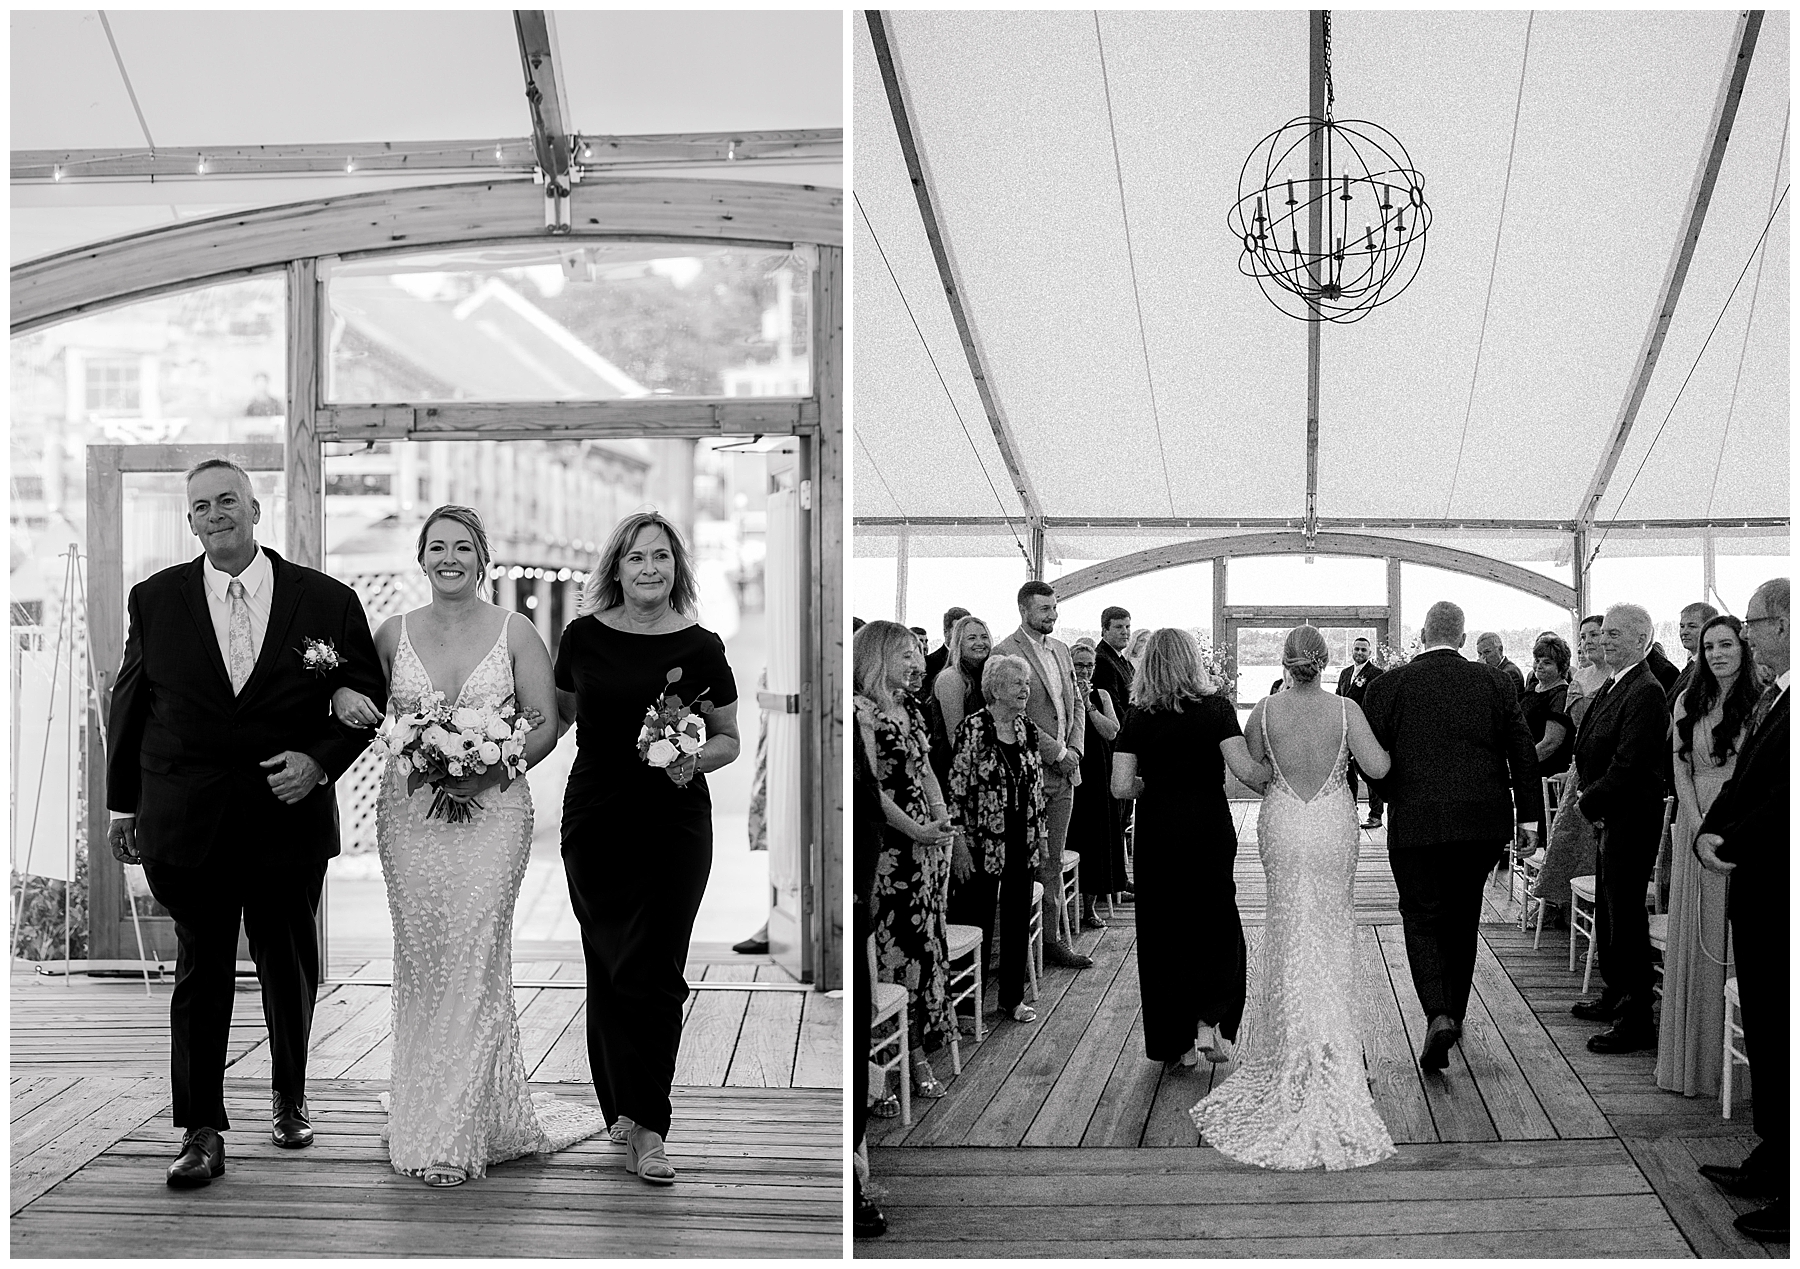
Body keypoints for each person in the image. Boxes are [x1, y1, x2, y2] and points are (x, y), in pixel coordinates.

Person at [106, 458, 386, 1188]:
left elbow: (365, 691)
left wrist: (320, 760)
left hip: (284, 816)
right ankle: (201, 1128)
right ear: (190, 521)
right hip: (186, 817)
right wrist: (122, 804)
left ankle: (289, 1096)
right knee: (201, 970)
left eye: (227, 499)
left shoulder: (326, 599)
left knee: (288, 964)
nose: (215, 514)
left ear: (255, 508)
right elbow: (130, 703)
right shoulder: (155, 597)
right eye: (200, 506)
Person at [330, 506, 605, 1186]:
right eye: (436, 547)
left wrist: (490, 768)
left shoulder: (516, 631)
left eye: (462, 547)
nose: (448, 557)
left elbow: (544, 723)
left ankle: (452, 1135)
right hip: (410, 814)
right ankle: (425, 1107)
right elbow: (359, 701)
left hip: (496, 811)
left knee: (476, 959)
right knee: (424, 963)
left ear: (482, 558)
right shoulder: (390, 632)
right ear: (421, 558)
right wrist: (340, 691)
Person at [552, 510, 742, 1184]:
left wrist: (687, 759)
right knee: (608, 963)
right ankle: (621, 1108)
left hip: (674, 822)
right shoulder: (580, 637)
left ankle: (651, 1125)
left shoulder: (702, 643)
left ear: (677, 568)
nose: (650, 569)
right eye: (636, 558)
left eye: (661, 557)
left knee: (655, 970)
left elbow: (727, 738)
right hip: (596, 818)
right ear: (616, 568)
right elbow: (565, 714)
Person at [1192, 625, 1396, 1170]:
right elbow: (1377, 768)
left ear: (1284, 663)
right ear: (1326, 663)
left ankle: (1291, 1049)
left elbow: (1257, 773)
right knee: (1330, 928)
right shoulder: (1347, 709)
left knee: (1287, 928)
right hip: (1332, 823)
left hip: (1283, 822)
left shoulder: (1263, 709)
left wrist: (1284, 778)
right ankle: (1334, 1049)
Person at [1362, 601, 1541, 1072]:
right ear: (1463, 640)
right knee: (1463, 916)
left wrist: (1396, 793)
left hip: (1415, 823)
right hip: (1481, 823)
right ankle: (1455, 1016)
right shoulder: (1495, 681)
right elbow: (1522, 751)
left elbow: (1370, 758)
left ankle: (1436, 1012)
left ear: (1422, 634)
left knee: (1421, 916)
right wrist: (1529, 820)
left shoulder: (1387, 686)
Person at [1112, 628, 1270, 1068]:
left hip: (1159, 830)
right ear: (1192, 661)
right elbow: (1248, 773)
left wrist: (1155, 785)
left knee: (1163, 931)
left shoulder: (1137, 715)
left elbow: (1120, 785)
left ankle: (1174, 1042)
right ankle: (1210, 1017)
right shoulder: (1217, 710)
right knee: (1216, 920)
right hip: (1207, 826)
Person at [1694, 579, 1788, 1241]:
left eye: (1753, 623)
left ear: (1782, 623)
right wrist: (1707, 827)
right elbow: (1747, 778)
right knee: (1768, 1022)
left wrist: (1728, 836)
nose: (1747, 634)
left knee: (1787, 1030)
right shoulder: (1780, 693)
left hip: (1779, 883)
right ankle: (1774, 1150)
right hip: (1755, 883)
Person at [1657, 615, 1760, 1099]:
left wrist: (1720, 826)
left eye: (1726, 644)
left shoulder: (1761, 700)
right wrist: (1694, 819)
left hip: (1740, 828)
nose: (1717, 653)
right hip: (1694, 821)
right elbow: (1679, 767)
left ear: (1744, 645)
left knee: (1736, 936)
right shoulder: (1688, 699)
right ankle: (1695, 1061)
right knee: (1696, 935)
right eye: (1708, 646)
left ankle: (1739, 1074)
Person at [855, 620, 957, 1101]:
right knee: (894, 954)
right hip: (888, 851)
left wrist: (941, 821)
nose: (917, 663)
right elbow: (870, 791)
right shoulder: (863, 713)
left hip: (927, 847)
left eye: (919, 653)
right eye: (906, 655)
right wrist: (916, 829)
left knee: (925, 947)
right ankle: (888, 1063)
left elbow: (926, 769)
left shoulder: (910, 707)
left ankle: (920, 1047)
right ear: (877, 659)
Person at [1570, 602, 1670, 1054]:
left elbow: (1630, 763)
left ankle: (1636, 1017)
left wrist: (1589, 800)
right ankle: (1614, 994)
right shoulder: (1616, 683)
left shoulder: (1645, 690)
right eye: (1603, 633)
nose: (1605, 640)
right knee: (1611, 912)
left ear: (1641, 640)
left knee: (1626, 916)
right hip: (1611, 814)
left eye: (1616, 635)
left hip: (1629, 815)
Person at [994, 581, 1092, 969]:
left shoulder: (1063, 650)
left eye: (1054, 608)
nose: (1052, 615)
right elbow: (1014, 714)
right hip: (1029, 772)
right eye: (1044, 609)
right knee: (1027, 861)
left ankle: (1052, 942)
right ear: (1024, 611)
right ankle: (1019, 949)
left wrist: (1076, 750)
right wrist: (1058, 752)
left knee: (1052, 861)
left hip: (1066, 774)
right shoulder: (1005, 652)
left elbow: (1077, 702)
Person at [946, 654, 1048, 1026]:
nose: (1025, 689)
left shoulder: (1027, 729)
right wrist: (957, 843)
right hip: (980, 841)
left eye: (1026, 683)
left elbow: (1035, 789)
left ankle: (1011, 999)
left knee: (1018, 918)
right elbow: (954, 791)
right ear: (995, 688)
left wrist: (1042, 837)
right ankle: (964, 1007)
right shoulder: (972, 729)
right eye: (1017, 683)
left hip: (1022, 837)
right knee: (978, 918)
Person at [852, 722, 887, 1238]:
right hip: (860, 884)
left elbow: (868, 800)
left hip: (863, 884)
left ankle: (854, 1174)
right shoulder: (862, 715)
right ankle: (855, 1179)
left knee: (859, 1026)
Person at [1068, 639, 1124, 924]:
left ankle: (1089, 907)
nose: (1085, 671)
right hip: (1073, 768)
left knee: (1096, 837)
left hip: (1098, 767)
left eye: (1090, 665)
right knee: (1075, 836)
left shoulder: (1102, 695)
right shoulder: (1063, 693)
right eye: (1079, 665)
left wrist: (1089, 705)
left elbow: (1112, 731)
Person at [1093, 606, 1136, 902]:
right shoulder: (1102, 660)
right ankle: (1116, 881)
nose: (1125, 632)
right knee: (1115, 818)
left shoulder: (1123, 661)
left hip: (1126, 740)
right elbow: (1117, 706)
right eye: (1119, 627)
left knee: (1122, 817)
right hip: (1114, 745)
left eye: (1127, 627)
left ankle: (1121, 878)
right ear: (1104, 630)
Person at [926, 614, 990, 791]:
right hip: (958, 769)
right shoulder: (952, 678)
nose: (980, 642)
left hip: (983, 764)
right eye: (971, 638)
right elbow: (956, 737)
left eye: (984, 637)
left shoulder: (983, 676)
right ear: (958, 643)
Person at [1335, 635, 1387, 829]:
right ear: (1352, 651)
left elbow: (1377, 703)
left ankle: (1375, 815)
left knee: (1369, 771)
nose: (1359, 652)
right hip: (1346, 730)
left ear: (1370, 653)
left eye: (1363, 650)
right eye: (1357, 649)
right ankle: (1350, 810)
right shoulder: (1345, 673)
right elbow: (1339, 698)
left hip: (1366, 730)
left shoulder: (1376, 673)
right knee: (1347, 772)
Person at [1522, 634, 1575, 777]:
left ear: (1561, 667)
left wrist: (1521, 764)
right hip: (1528, 766)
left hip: (1547, 773)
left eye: (1547, 663)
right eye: (1537, 660)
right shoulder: (1533, 688)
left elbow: (1550, 743)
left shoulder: (1561, 695)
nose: (1539, 666)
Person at [1666, 602, 1721, 708]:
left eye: (1692, 626)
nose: (1684, 632)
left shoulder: (1709, 669)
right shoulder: (1692, 664)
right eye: (1682, 626)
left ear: (1710, 628)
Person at [1567, 614, 1608, 725]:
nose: (1587, 641)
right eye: (1583, 637)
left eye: (1594, 635)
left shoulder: (1617, 675)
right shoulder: (1579, 675)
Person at [923, 605, 970, 690]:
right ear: (945, 632)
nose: (963, 634)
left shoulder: (976, 662)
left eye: (967, 630)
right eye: (958, 630)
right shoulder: (929, 663)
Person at [1474, 631, 1526, 701]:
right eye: (1480, 654)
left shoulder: (1510, 672)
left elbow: (1495, 700)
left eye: (1487, 652)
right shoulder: (1496, 670)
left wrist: (1484, 672)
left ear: (1500, 650)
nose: (1483, 658)